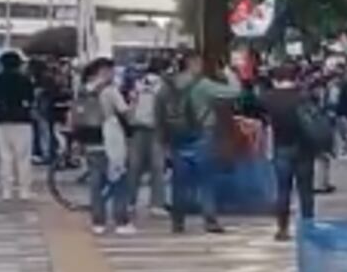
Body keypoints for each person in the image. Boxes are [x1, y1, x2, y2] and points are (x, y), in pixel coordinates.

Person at [157, 52, 239, 235]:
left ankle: (178, 222)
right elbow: (235, 92)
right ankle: (210, 219)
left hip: (177, 137)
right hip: (201, 135)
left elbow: (159, 111)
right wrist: (229, 73)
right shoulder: (203, 85)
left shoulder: (169, 85)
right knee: (206, 180)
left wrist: (163, 139)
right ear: (195, 64)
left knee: (179, 182)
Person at [259, 64, 322, 241]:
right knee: (306, 190)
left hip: (281, 147)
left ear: (275, 79)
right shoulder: (304, 97)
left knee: (283, 190)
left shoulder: (269, 98)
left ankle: (282, 228)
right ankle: (309, 227)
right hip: (304, 148)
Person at [75, 58, 133, 234]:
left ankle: (98, 222)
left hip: (90, 140)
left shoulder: (83, 90)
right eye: (111, 71)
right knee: (118, 180)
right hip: (110, 141)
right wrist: (135, 102)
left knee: (96, 182)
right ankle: (120, 221)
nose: (113, 74)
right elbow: (126, 113)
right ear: (104, 71)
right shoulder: (110, 91)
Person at [0, 52, 35, 201]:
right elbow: (30, 99)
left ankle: (6, 190)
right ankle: (24, 190)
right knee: (23, 157)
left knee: (5, 157)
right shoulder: (25, 80)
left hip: (2, 122)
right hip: (22, 121)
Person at [126, 59, 168, 217]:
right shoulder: (163, 86)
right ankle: (156, 204)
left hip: (137, 128)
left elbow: (131, 103)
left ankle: (130, 202)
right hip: (155, 129)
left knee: (134, 168)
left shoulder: (138, 84)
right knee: (157, 168)